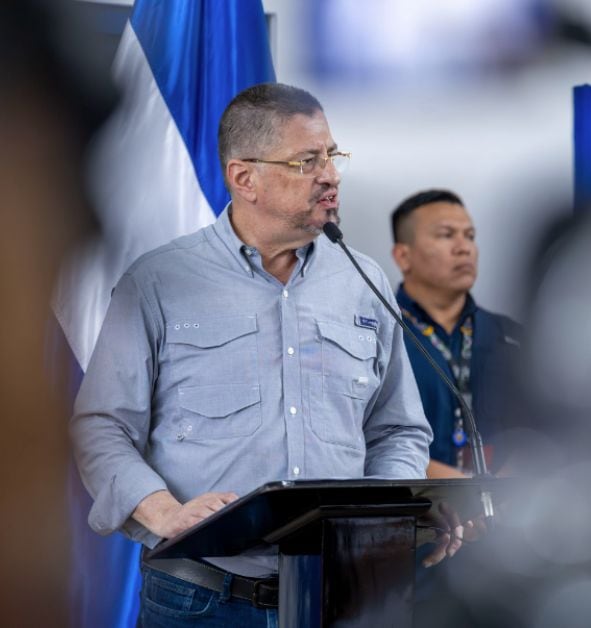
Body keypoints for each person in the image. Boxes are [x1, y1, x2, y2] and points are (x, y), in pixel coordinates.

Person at [69, 83, 450, 626]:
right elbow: (101, 426)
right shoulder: (157, 282)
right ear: (244, 177)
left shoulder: (364, 281)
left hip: (339, 594)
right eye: (307, 160)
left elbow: (398, 431)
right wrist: (165, 512)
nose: (331, 175)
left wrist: (385, 515)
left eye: (332, 156)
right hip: (200, 599)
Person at [390, 189, 523, 478]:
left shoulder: (509, 336)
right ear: (403, 256)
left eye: (470, 236)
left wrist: (500, 496)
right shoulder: (378, 336)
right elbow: (365, 440)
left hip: (504, 512)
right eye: (446, 235)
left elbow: (545, 433)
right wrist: (460, 493)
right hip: (414, 506)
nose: (464, 248)